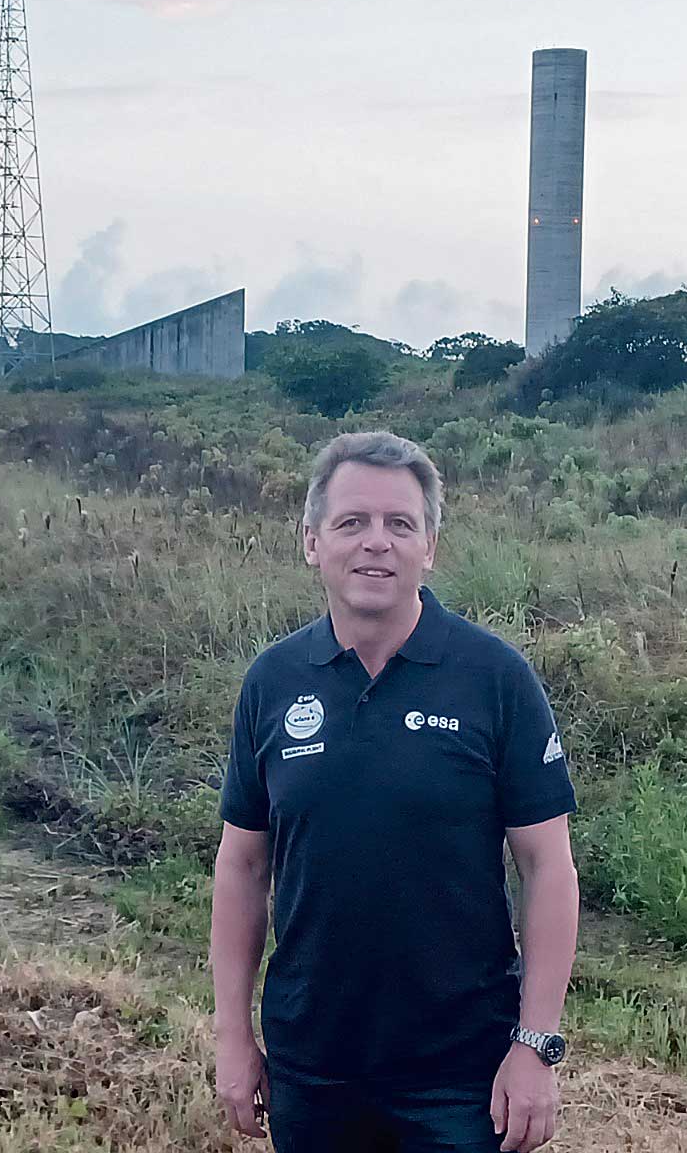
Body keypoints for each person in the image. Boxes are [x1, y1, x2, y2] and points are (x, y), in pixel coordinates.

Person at [210, 431, 580, 1153]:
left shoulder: (494, 679)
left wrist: (535, 1046)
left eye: (399, 524)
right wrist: (232, 1035)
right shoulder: (274, 682)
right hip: (310, 1063)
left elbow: (549, 868)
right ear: (313, 541)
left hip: (459, 1070)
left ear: (429, 547)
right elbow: (242, 865)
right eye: (353, 522)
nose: (375, 543)